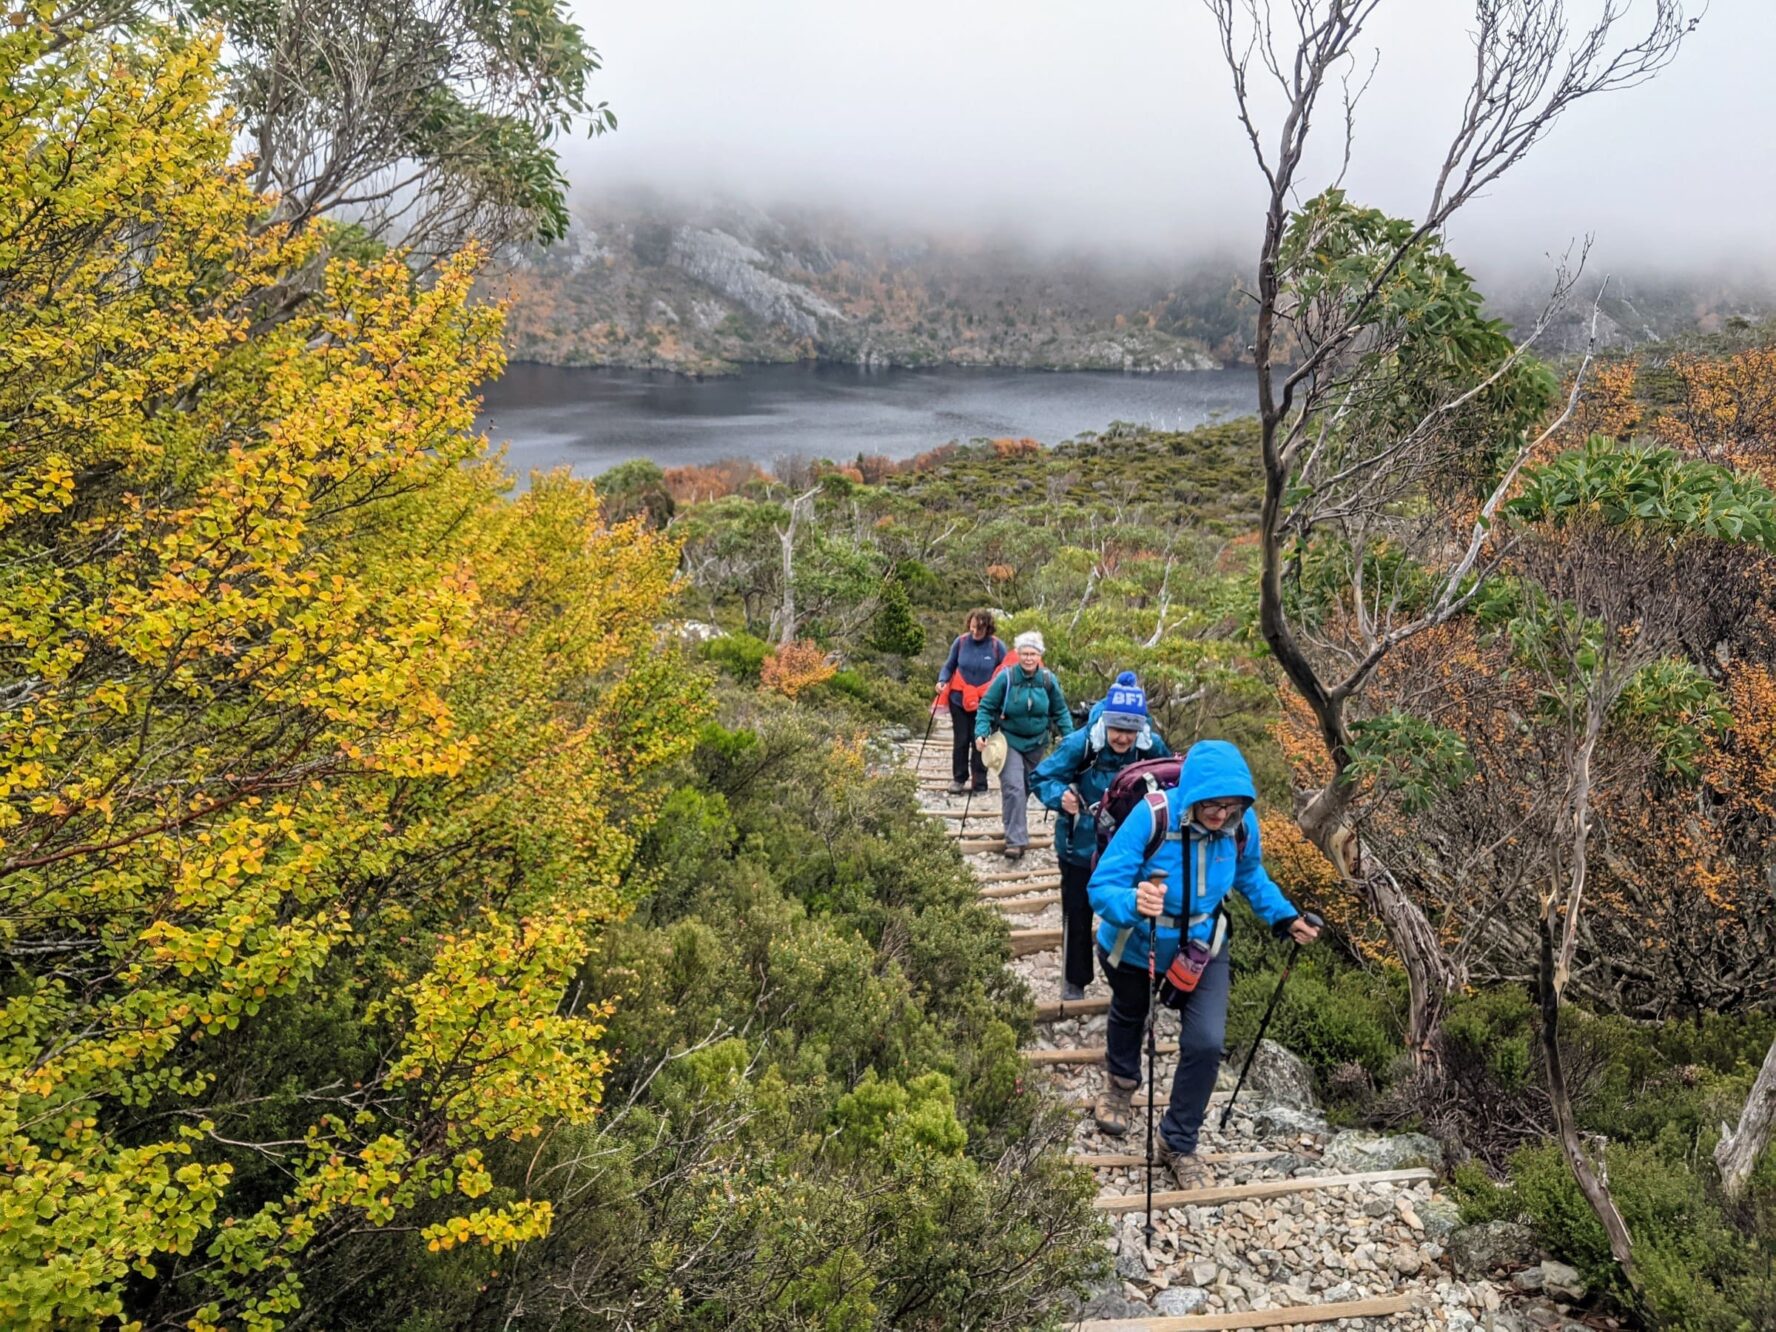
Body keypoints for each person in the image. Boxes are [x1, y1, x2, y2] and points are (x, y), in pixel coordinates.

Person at [1086, 739, 1320, 1188]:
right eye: (1212, 804)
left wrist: (1285, 917)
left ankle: (1177, 1140)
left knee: (1207, 1042)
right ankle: (1120, 1085)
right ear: (1192, 793)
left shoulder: (1241, 824)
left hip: (1202, 943)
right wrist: (1134, 900)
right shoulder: (1153, 815)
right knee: (1131, 1013)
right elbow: (1102, 886)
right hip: (1138, 940)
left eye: (1231, 806)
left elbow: (1251, 875)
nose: (1220, 815)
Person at [1034, 672, 1171, 1002]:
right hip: (1079, 845)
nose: (1123, 738)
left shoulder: (1150, 747)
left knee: (1131, 912)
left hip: (1130, 850)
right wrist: (1059, 797)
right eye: (1117, 728)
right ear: (1106, 722)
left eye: (1130, 730)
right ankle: (1075, 979)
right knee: (1078, 913)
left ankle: (1126, 975)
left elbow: (1172, 780)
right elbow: (1040, 777)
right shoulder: (1081, 744)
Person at [974, 630, 1071, 861]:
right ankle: (1016, 841)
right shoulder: (1006, 678)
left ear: (1040, 656)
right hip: (1009, 742)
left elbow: (1060, 711)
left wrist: (1071, 739)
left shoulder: (1048, 680)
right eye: (1025, 653)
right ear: (1017, 654)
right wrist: (981, 732)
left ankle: (1012, 824)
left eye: (1033, 654)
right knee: (1014, 788)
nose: (1029, 658)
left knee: (1026, 788)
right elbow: (986, 707)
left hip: (1037, 743)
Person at [934, 610, 1007, 794]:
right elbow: (949, 665)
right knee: (961, 740)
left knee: (980, 740)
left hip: (986, 702)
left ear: (988, 628)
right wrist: (942, 681)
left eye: (980, 629)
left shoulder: (996, 646)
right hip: (959, 699)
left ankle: (980, 782)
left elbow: (1006, 671)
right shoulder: (961, 642)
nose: (975, 632)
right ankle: (959, 778)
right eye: (973, 627)